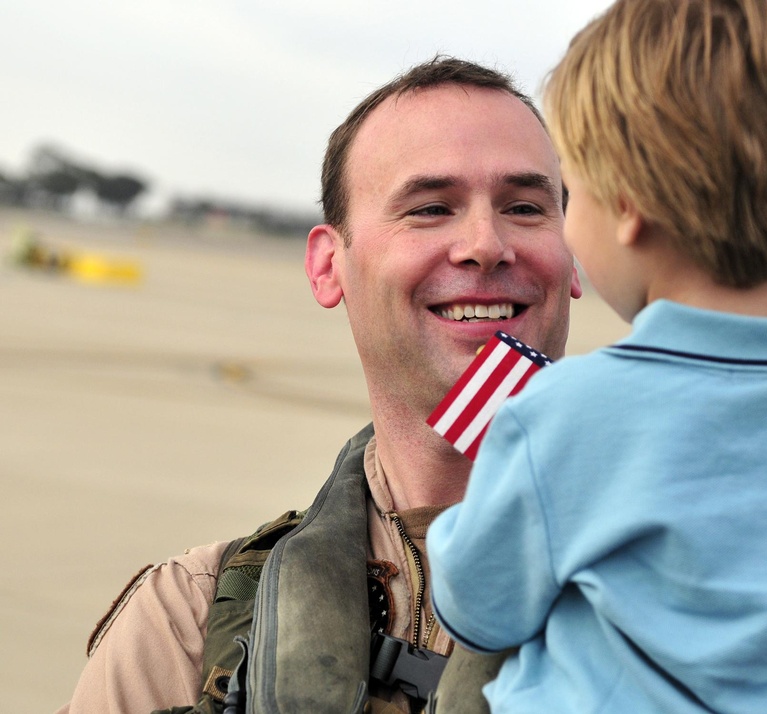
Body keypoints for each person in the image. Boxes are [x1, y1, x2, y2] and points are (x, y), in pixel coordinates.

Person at [426, 1, 767, 712]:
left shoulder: (560, 416)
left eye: (570, 192)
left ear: (627, 206)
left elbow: (478, 610)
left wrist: (465, 516)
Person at [56, 56, 582, 714]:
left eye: (527, 207)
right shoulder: (187, 625)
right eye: (430, 208)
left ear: (575, 256)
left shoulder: (700, 597)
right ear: (329, 266)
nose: (485, 243)